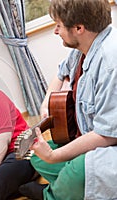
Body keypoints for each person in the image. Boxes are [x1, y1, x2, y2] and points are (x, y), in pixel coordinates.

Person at [18, 0, 117, 199]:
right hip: (89, 137)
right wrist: (47, 101)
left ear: (79, 28)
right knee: (38, 160)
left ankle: (52, 195)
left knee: (78, 170)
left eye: (59, 25)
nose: (56, 31)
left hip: (109, 145)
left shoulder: (110, 63)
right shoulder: (83, 48)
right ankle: (69, 189)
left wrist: (54, 156)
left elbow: (106, 136)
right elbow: (61, 72)